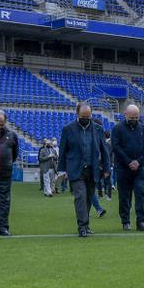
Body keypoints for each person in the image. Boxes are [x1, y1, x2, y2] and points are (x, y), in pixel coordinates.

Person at [59, 102, 104, 237]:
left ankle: (86, 224)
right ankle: (82, 226)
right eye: (83, 116)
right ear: (77, 114)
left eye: (88, 116)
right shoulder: (68, 129)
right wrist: (61, 170)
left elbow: (104, 150)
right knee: (80, 196)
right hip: (75, 170)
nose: (86, 118)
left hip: (92, 169)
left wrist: (106, 168)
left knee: (89, 198)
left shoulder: (97, 129)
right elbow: (63, 150)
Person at [109, 101, 144, 230]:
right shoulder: (117, 128)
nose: (134, 120)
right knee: (124, 196)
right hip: (123, 168)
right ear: (125, 114)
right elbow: (116, 147)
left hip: (139, 168)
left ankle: (141, 221)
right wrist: (128, 162)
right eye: (131, 118)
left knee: (140, 193)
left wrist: (138, 161)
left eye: (136, 118)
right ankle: (125, 221)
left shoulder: (143, 129)